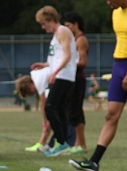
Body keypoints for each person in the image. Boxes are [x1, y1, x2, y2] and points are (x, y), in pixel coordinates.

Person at [69, 0, 127, 171]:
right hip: (119, 65)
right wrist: (122, 70)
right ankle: (94, 162)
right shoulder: (116, 12)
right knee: (111, 115)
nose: (108, 3)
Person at [32, 6, 78, 158]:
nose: (43, 27)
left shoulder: (63, 31)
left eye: (44, 23)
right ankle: (62, 142)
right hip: (61, 74)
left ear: (51, 20)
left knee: (50, 107)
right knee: (59, 109)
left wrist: (55, 72)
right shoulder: (57, 34)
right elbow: (57, 57)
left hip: (64, 75)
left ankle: (61, 141)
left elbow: (67, 55)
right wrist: (45, 65)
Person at [63, 11, 89, 155]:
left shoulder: (80, 40)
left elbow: (83, 62)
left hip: (78, 78)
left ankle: (82, 144)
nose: (66, 29)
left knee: (75, 111)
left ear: (75, 25)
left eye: (68, 26)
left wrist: (68, 64)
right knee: (73, 111)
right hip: (72, 78)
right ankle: (78, 143)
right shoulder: (73, 39)